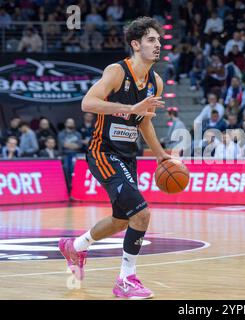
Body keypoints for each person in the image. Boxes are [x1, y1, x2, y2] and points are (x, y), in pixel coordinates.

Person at [58, 17, 170, 299]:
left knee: (122, 221)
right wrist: (130, 106)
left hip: (127, 155)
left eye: (158, 40)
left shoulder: (155, 82)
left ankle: (76, 247)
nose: (157, 45)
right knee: (141, 213)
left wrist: (160, 156)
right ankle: (126, 280)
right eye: (151, 40)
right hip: (103, 152)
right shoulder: (117, 71)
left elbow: (144, 122)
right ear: (136, 44)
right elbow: (88, 103)